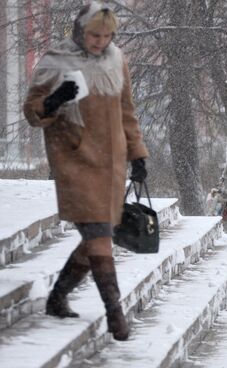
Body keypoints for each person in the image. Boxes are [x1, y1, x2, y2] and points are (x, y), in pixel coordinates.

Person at [23, 2, 149, 341]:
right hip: (74, 161)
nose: (100, 42)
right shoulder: (56, 60)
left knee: (97, 238)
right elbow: (33, 112)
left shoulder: (116, 59)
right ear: (80, 29)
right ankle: (115, 313)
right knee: (99, 237)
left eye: (107, 35)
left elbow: (127, 112)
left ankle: (58, 296)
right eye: (95, 35)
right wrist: (55, 100)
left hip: (112, 165)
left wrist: (138, 156)